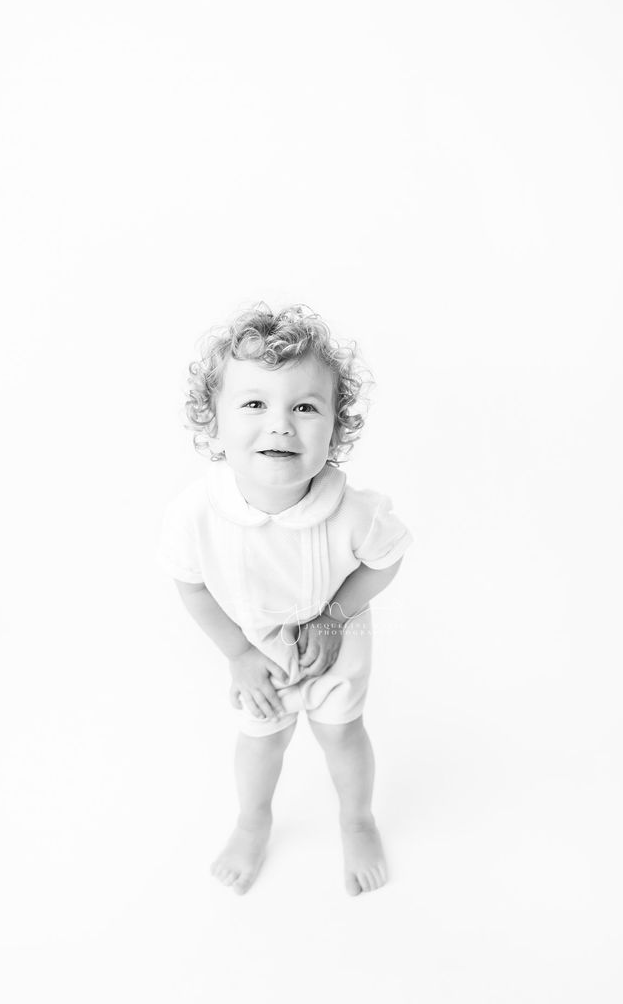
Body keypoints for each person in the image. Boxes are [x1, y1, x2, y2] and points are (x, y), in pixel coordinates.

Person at [156, 301, 413, 896]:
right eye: (254, 404)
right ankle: (253, 821)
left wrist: (336, 616)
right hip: (258, 650)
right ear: (213, 423)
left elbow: (388, 559)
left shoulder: (354, 511)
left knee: (343, 734)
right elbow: (189, 584)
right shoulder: (196, 514)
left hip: (336, 645)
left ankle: (358, 819)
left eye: (304, 406)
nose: (280, 424)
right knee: (260, 739)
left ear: (336, 428)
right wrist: (237, 655)